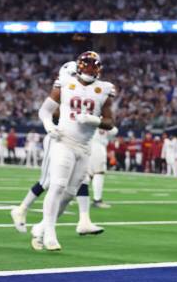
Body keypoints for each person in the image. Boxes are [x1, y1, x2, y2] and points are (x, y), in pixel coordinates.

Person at [30, 51, 115, 251]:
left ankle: (41, 227)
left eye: (93, 65)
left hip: (85, 147)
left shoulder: (105, 89)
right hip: (64, 141)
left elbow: (110, 123)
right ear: (78, 66)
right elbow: (45, 110)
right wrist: (49, 126)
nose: (89, 69)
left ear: (99, 69)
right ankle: (50, 233)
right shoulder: (65, 82)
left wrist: (95, 120)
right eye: (85, 65)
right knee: (57, 185)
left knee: (69, 194)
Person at [10, 61, 104, 237]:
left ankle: (83, 220)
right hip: (58, 138)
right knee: (48, 181)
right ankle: (22, 209)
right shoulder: (64, 87)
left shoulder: (85, 89)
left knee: (81, 181)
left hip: (79, 142)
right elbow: (51, 111)